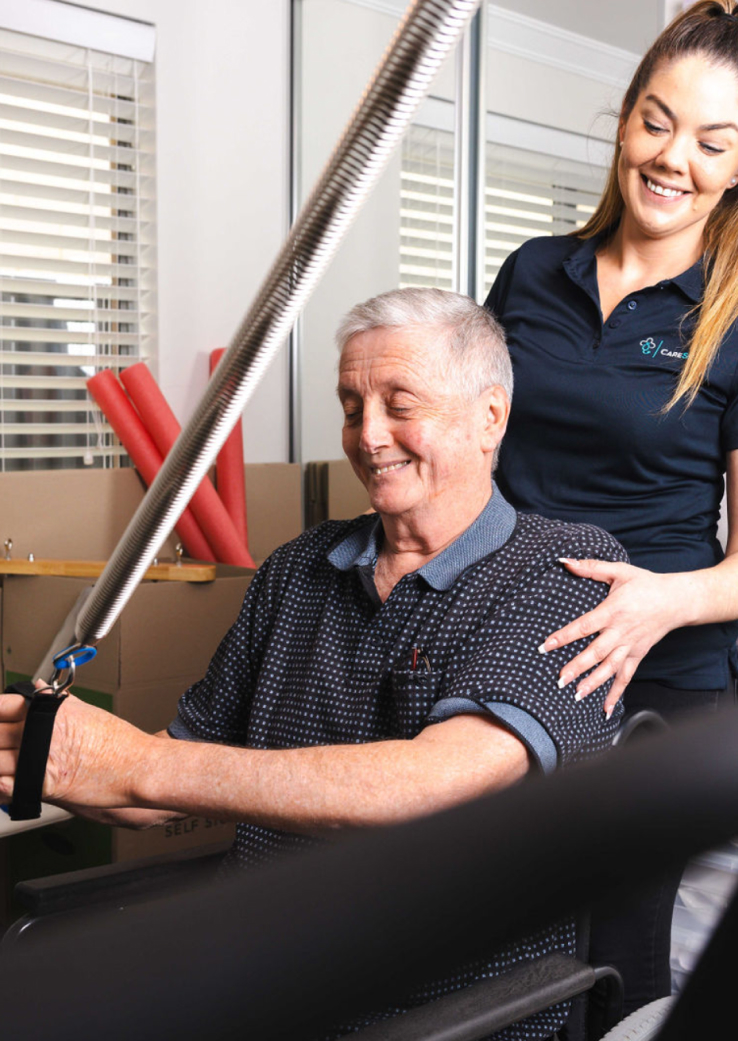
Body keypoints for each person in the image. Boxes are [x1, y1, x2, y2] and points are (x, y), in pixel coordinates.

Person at [0, 289, 626, 1039]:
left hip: (438, 1008)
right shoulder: (297, 569)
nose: (368, 435)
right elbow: (165, 780)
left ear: (490, 416)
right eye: (351, 404)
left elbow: (432, 783)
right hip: (252, 978)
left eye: (401, 404)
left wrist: (137, 765)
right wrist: (53, 755)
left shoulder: (563, 576)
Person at [483, 0, 738, 1027]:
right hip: (509, 655)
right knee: (491, 939)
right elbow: (477, 453)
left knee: (620, 959)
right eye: (657, 120)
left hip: (661, 681)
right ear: (625, 121)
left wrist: (657, 606)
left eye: (715, 142)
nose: (676, 158)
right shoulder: (530, 274)